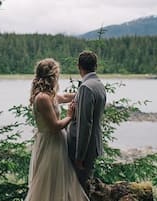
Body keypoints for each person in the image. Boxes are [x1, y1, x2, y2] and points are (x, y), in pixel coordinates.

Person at [25, 58, 89, 201]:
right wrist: (70, 116)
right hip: (50, 144)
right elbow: (55, 126)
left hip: (56, 143)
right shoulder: (42, 98)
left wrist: (83, 92)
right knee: (49, 181)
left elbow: (65, 97)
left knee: (60, 179)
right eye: (57, 75)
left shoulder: (49, 95)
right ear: (52, 77)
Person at [67, 51, 107, 193]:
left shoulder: (86, 87)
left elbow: (85, 124)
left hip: (84, 148)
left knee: (79, 189)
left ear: (79, 66)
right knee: (84, 187)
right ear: (95, 66)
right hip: (93, 145)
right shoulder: (99, 84)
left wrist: (79, 156)